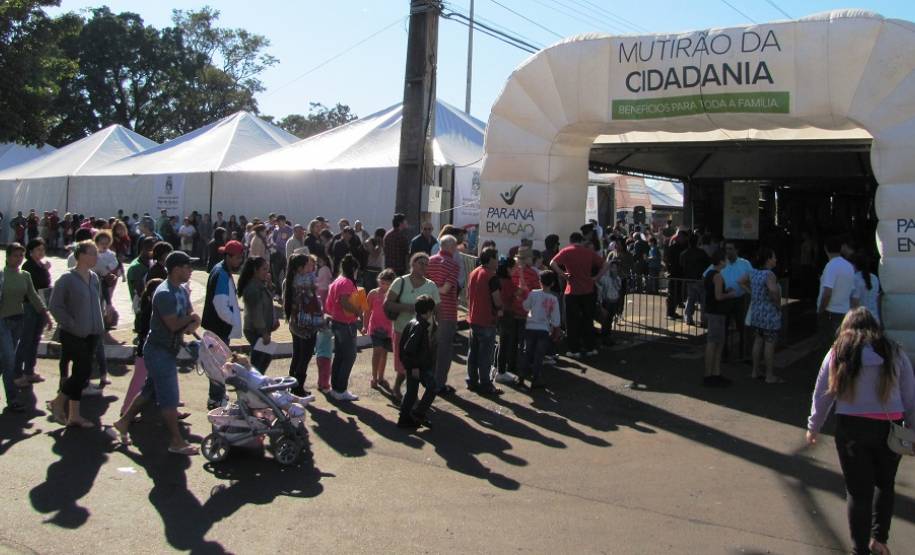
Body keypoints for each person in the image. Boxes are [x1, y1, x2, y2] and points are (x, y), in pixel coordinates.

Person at [806, 307, 915, 555]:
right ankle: (880, 540)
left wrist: (814, 426)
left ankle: (859, 549)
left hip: (851, 428)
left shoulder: (839, 352)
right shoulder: (894, 351)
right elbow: (910, 396)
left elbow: (822, 392)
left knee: (858, 490)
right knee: (885, 484)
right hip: (891, 427)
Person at [111, 251, 200, 455]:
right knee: (169, 397)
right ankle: (176, 441)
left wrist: (191, 321)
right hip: (158, 351)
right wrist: (191, 320)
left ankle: (124, 422)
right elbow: (175, 324)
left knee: (149, 390)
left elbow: (190, 321)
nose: (191, 270)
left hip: (168, 349)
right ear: (177, 269)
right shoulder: (164, 293)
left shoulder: (181, 291)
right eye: (188, 266)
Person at [46, 240, 102, 425]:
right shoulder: (66, 279)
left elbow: (96, 302)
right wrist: (71, 323)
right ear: (81, 255)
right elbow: (55, 306)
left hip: (92, 333)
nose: (96, 256)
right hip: (73, 334)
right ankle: (58, 402)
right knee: (83, 371)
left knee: (81, 372)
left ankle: (74, 415)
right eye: (93, 253)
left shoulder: (94, 277)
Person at [384, 252, 441, 403]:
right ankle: (405, 394)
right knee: (404, 366)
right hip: (402, 330)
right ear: (412, 264)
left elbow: (437, 310)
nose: (424, 266)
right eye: (420, 263)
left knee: (415, 367)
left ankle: (408, 394)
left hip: (423, 334)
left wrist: (438, 329)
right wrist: (408, 307)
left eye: (426, 264)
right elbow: (388, 304)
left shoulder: (431, 286)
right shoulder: (400, 282)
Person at [1, 243, 52, 412]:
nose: (18, 258)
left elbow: (33, 296)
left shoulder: (25, 275)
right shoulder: (2, 276)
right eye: (15, 255)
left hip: (18, 321)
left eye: (21, 255)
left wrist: (46, 314)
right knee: (9, 358)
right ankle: (13, 398)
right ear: (7, 257)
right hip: (3, 322)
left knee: (5, 361)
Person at [201, 240, 244, 408]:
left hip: (217, 327)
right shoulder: (222, 274)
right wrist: (233, 320)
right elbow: (220, 304)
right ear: (229, 256)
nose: (240, 261)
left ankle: (217, 395)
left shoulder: (220, 269)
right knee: (218, 366)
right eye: (238, 258)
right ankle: (215, 399)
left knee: (217, 364)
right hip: (219, 328)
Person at [550, 232, 605, 359]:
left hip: (572, 291)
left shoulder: (566, 251)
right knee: (588, 320)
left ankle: (574, 349)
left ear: (571, 240)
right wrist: (596, 277)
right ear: (581, 240)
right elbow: (606, 264)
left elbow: (553, 262)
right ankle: (590, 347)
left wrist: (562, 274)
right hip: (588, 290)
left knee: (571, 321)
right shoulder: (588, 252)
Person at [465, 247, 504, 396]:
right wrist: (500, 309)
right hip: (487, 319)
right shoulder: (491, 276)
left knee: (473, 352)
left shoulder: (474, 272)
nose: (498, 261)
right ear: (490, 259)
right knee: (485, 354)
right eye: (496, 258)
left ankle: (472, 380)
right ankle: (486, 384)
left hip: (474, 317)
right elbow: (496, 298)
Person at [741, 247, 783, 384]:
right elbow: (772, 290)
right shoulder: (769, 275)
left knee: (758, 341)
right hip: (769, 314)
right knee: (769, 344)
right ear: (768, 259)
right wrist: (777, 304)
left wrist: (752, 292)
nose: (776, 260)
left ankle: (755, 371)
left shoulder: (753, 272)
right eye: (774, 257)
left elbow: (740, 281)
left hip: (756, 312)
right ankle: (769, 375)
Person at [324, 254, 363, 401]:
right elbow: (344, 302)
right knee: (349, 356)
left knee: (340, 355)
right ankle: (340, 389)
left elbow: (332, 303)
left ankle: (336, 388)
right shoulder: (346, 282)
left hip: (337, 321)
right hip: (345, 323)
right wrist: (358, 311)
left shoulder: (338, 280)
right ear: (353, 268)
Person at [397, 295, 439, 429]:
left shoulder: (413, 322)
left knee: (411, 392)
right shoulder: (419, 326)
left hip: (413, 364)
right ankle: (418, 413)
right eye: (431, 311)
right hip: (417, 365)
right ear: (427, 312)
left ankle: (405, 418)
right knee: (432, 387)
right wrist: (414, 366)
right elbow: (410, 348)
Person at [283, 253, 322, 397]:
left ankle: (291, 383)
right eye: (307, 265)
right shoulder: (304, 283)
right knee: (304, 357)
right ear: (300, 268)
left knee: (297, 355)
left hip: (295, 322)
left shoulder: (289, 280)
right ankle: (297, 388)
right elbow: (312, 302)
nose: (310, 268)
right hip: (306, 324)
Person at [426, 235, 461, 394]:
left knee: (431, 348)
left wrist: (431, 289)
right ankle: (439, 384)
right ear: (451, 247)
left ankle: (429, 380)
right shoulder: (453, 265)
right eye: (455, 247)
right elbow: (446, 289)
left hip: (428, 310)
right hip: (446, 311)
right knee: (444, 350)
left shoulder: (429, 261)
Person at [15, 239, 52, 385]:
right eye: (38, 250)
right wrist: (44, 270)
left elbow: (46, 285)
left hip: (41, 306)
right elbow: (32, 287)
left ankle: (29, 371)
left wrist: (46, 270)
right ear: (30, 252)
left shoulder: (42, 265)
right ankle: (16, 372)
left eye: (43, 249)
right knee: (25, 340)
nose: (41, 252)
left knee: (35, 339)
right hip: (29, 306)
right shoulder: (28, 266)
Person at [517, 270, 562, 389]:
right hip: (543, 329)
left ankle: (521, 377)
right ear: (552, 283)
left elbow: (525, 306)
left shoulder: (533, 293)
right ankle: (536, 378)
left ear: (540, 282)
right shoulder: (553, 299)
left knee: (527, 353)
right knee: (539, 355)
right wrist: (556, 329)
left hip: (530, 327)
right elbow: (556, 319)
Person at [703, 250, 740, 387]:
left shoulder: (710, 274)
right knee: (714, 343)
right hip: (716, 313)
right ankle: (710, 375)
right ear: (721, 261)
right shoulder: (717, 276)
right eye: (725, 259)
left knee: (716, 343)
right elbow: (718, 296)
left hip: (713, 312)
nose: (727, 261)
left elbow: (714, 294)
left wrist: (726, 291)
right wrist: (729, 294)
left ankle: (714, 373)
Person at [237, 256, 277, 373]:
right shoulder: (253, 288)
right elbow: (256, 313)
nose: (267, 272)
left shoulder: (260, 284)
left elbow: (269, 296)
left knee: (265, 358)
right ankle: (252, 384)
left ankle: (255, 382)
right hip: (255, 330)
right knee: (258, 362)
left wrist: (269, 284)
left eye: (267, 269)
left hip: (262, 329)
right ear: (255, 270)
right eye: (264, 269)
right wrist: (263, 332)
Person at [818, 236, 857, 344]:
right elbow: (853, 294)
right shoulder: (849, 266)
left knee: (828, 347)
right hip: (845, 312)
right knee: (843, 346)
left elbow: (827, 293)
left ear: (825, 249)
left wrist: (821, 309)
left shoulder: (831, 266)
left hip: (831, 313)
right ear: (840, 249)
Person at [364, 269, 395, 390]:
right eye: (382, 283)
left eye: (387, 284)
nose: (384, 286)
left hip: (389, 329)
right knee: (377, 352)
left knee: (384, 353)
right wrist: (365, 325)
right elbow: (367, 311)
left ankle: (381, 377)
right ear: (378, 281)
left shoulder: (394, 295)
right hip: (376, 328)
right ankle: (374, 377)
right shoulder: (373, 293)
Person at [496, 256, 522, 384]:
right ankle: (501, 371)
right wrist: (521, 276)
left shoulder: (498, 280)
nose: (516, 269)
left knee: (501, 342)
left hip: (499, 313)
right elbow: (520, 292)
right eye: (514, 268)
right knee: (505, 344)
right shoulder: (508, 282)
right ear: (508, 269)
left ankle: (497, 368)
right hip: (507, 314)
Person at [680, 233, 710, 326]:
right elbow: (708, 264)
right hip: (700, 279)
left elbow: (681, 266)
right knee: (703, 301)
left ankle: (688, 318)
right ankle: (704, 321)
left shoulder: (684, 254)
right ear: (697, 242)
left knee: (690, 299)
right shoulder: (702, 253)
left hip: (689, 279)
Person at [596, 260, 622, 343]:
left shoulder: (617, 278)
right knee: (606, 320)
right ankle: (605, 337)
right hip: (606, 301)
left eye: (616, 267)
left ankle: (608, 335)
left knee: (610, 319)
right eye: (612, 267)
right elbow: (597, 281)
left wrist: (615, 279)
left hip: (614, 301)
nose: (614, 269)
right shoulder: (605, 278)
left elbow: (618, 288)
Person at [853, 253, 881, 324]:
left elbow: (855, 301)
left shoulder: (855, 278)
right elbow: (877, 300)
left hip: (861, 319)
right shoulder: (875, 278)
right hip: (874, 318)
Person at [269, 215, 293, 292]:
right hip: (278, 254)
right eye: (277, 222)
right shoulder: (276, 230)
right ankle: (277, 292)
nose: (278, 223)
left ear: (283, 221)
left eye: (279, 221)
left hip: (287, 254)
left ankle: (287, 290)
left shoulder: (290, 230)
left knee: (287, 273)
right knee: (276, 274)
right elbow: (273, 240)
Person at [363, 227, 386, 292]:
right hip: (371, 270)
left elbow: (375, 255)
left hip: (376, 270)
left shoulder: (381, 245)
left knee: (376, 292)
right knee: (370, 291)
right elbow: (374, 254)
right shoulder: (373, 242)